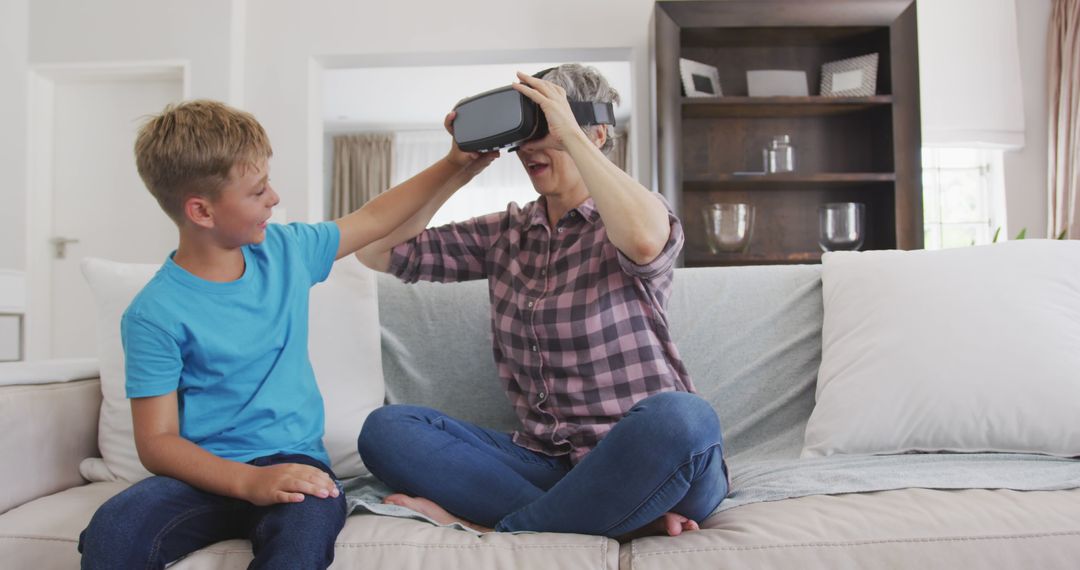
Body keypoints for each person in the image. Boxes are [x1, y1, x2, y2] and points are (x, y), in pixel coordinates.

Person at [77, 100, 496, 569]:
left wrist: (455, 164)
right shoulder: (152, 313)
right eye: (257, 192)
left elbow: (376, 217)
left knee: (304, 535)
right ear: (202, 210)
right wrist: (245, 482)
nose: (273, 198)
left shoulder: (286, 252)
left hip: (294, 462)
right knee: (113, 529)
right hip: (204, 474)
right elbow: (157, 442)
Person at [356, 64, 728, 539]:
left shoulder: (636, 213)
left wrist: (571, 134)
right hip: (547, 463)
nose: (528, 147)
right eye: (524, 134)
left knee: (684, 417)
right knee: (388, 428)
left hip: (652, 459)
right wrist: (456, 167)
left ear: (593, 133)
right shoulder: (506, 232)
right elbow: (377, 249)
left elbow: (640, 240)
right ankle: (612, 518)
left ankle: (498, 529)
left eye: (544, 129)